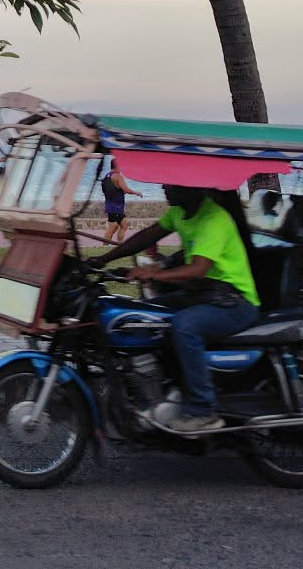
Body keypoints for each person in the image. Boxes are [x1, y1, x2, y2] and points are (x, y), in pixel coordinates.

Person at [91, 184, 261, 434]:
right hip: (203, 295)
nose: (163, 186)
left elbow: (197, 269)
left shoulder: (213, 218)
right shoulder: (179, 212)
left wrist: (154, 274)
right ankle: (164, 390)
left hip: (234, 302)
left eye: (171, 183)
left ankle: (203, 411)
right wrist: (103, 259)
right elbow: (146, 236)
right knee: (144, 315)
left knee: (185, 326)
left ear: (191, 187)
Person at [98, 163, 143, 244]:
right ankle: (104, 246)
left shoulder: (106, 177)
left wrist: (118, 192)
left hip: (111, 206)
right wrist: (136, 193)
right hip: (115, 207)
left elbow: (106, 191)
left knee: (124, 225)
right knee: (112, 227)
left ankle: (119, 244)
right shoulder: (118, 176)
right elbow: (126, 190)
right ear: (116, 166)